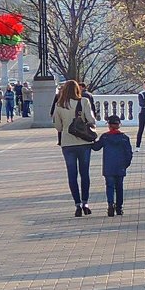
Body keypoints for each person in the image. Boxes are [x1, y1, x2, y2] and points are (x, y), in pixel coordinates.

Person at [52, 79, 97, 217]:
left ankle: (77, 204)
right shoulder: (84, 102)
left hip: (67, 143)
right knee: (85, 173)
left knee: (72, 174)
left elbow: (58, 127)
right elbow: (92, 120)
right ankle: (85, 202)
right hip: (83, 142)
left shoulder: (59, 105)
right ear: (78, 89)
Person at [92, 115, 133, 216]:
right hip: (120, 166)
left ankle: (110, 204)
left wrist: (90, 138)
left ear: (109, 125)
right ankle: (119, 208)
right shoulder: (124, 138)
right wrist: (125, 165)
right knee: (119, 187)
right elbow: (129, 154)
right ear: (119, 125)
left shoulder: (105, 137)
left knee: (109, 186)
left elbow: (96, 147)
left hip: (108, 167)